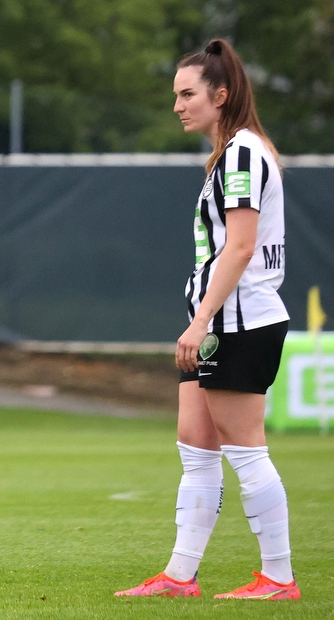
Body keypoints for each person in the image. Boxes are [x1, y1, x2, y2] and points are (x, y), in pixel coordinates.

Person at [115, 38, 297, 600]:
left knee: (245, 449)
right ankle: (179, 576)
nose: (178, 105)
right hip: (218, 321)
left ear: (222, 95)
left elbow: (240, 249)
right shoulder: (231, 152)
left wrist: (201, 322)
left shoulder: (243, 151)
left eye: (187, 93)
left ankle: (279, 578)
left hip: (240, 322)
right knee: (196, 446)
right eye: (176, 94)